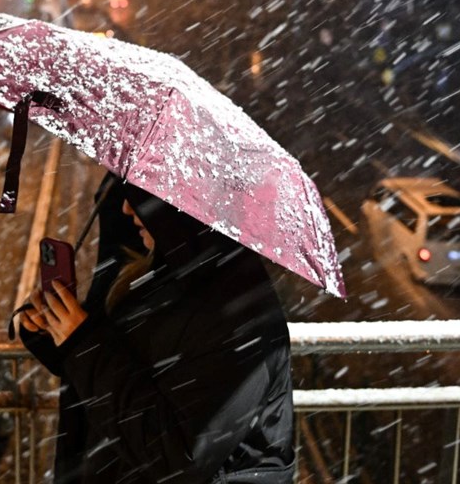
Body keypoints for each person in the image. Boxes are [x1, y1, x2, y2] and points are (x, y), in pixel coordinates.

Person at [16, 176, 295, 483]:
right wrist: (57, 334)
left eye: (138, 198)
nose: (125, 209)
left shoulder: (240, 314)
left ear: (176, 205)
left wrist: (81, 343)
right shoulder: (165, 271)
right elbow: (128, 363)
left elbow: (179, 456)